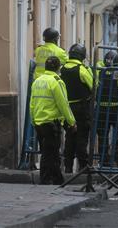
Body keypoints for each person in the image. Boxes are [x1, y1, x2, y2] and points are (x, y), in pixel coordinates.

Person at [30, 55, 76, 184]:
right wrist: (71, 122)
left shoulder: (37, 81)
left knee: (49, 152)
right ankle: (45, 179)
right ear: (58, 68)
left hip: (38, 122)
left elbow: (32, 103)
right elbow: (63, 104)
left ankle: (57, 179)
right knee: (50, 152)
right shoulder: (57, 81)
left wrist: (33, 119)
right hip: (51, 122)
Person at [60, 44, 93, 175]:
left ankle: (68, 167)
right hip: (81, 109)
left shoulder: (62, 69)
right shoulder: (81, 70)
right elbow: (93, 86)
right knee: (82, 138)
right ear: (82, 56)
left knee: (69, 137)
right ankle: (83, 168)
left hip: (67, 108)